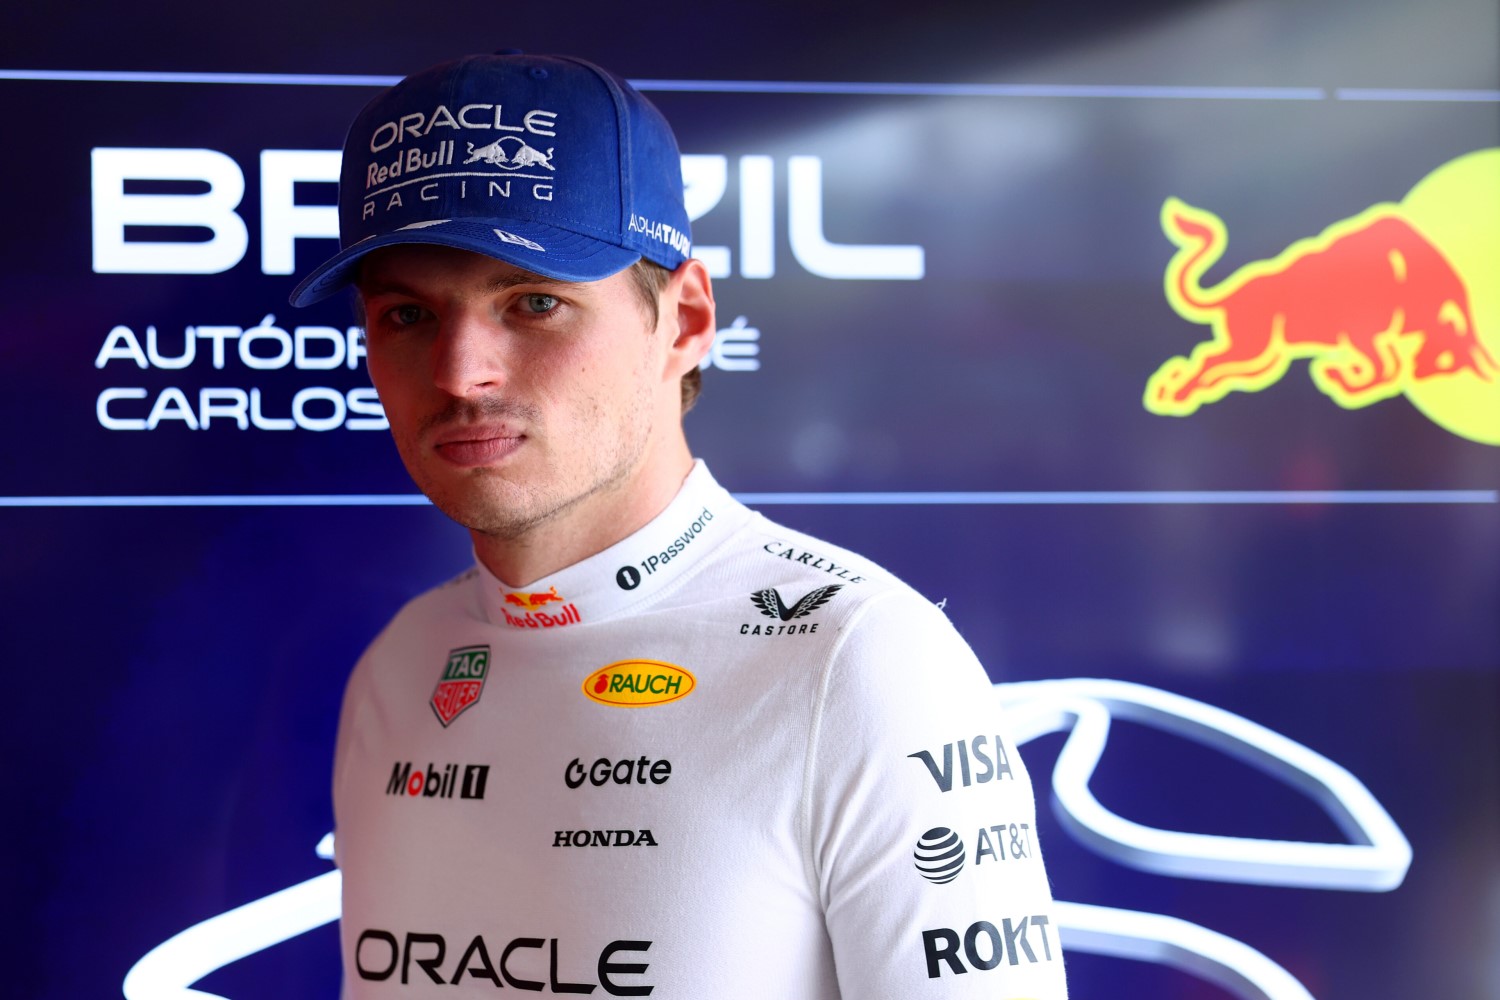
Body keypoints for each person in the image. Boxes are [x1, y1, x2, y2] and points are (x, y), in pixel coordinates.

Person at [290, 51, 1068, 998]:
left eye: (535, 302)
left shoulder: (858, 658)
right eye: (408, 315)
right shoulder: (401, 664)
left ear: (687, 318)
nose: (460, 372)